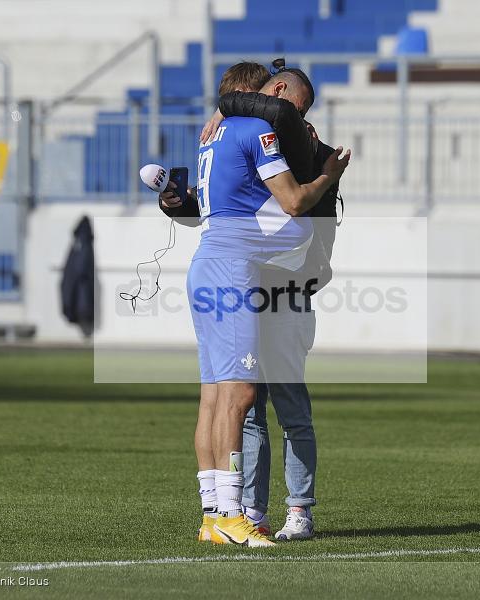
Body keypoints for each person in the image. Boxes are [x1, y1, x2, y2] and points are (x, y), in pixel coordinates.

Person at [161, 61, 342, 542]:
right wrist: (327, 174)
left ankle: (245, 512)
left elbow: (233, 201)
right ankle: (238, 514)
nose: (291, 117)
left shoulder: (247, 136)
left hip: (274, 285)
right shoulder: (254, 133)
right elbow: (292, 203)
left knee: (252, 399)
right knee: (245, 400)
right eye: (293, 106)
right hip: (242, 275)